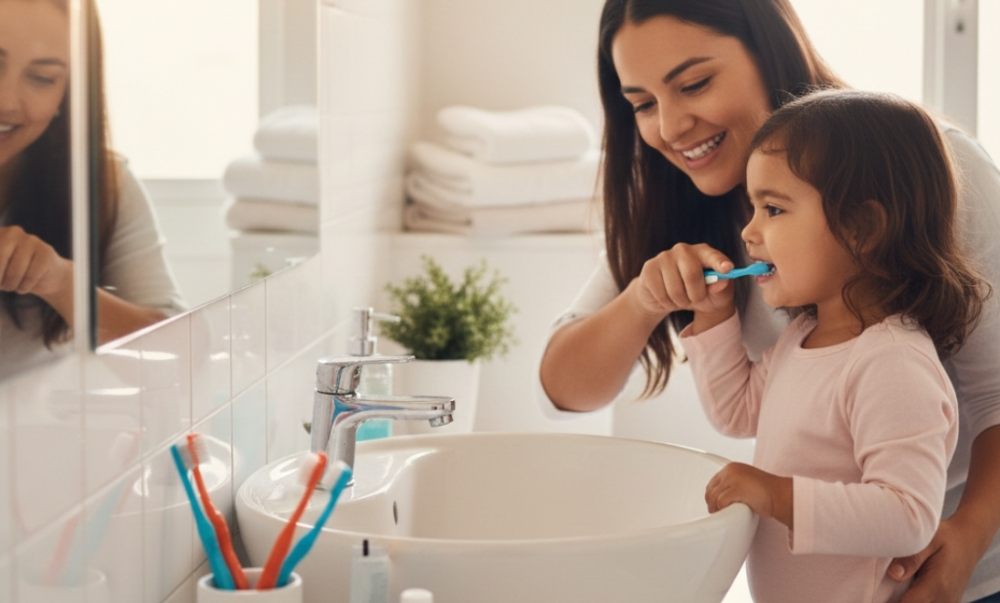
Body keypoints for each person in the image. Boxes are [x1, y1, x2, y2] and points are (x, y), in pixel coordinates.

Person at [538, 1, 1000, 601]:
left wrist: (964, 540)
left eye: (695, 83)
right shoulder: (788, 322)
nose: (671, 126)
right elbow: (572, 392)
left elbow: (995, 395)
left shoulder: (934, 174)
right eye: (644, 104)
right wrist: (656, 302)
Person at [682, 88, 983, 602]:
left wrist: (778, 496)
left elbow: (907, 515)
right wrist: (713, 318)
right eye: (752, 209)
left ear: (862, 227)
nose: (749, 232)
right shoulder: (802, 337)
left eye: (773, 209)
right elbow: (736, 412)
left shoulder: (891, 362)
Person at [0, 0, 184, 379]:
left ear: (68, 93)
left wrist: (60, 281)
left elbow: (182, 358)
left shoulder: (103, 184)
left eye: (42, 78)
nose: (6, 102)